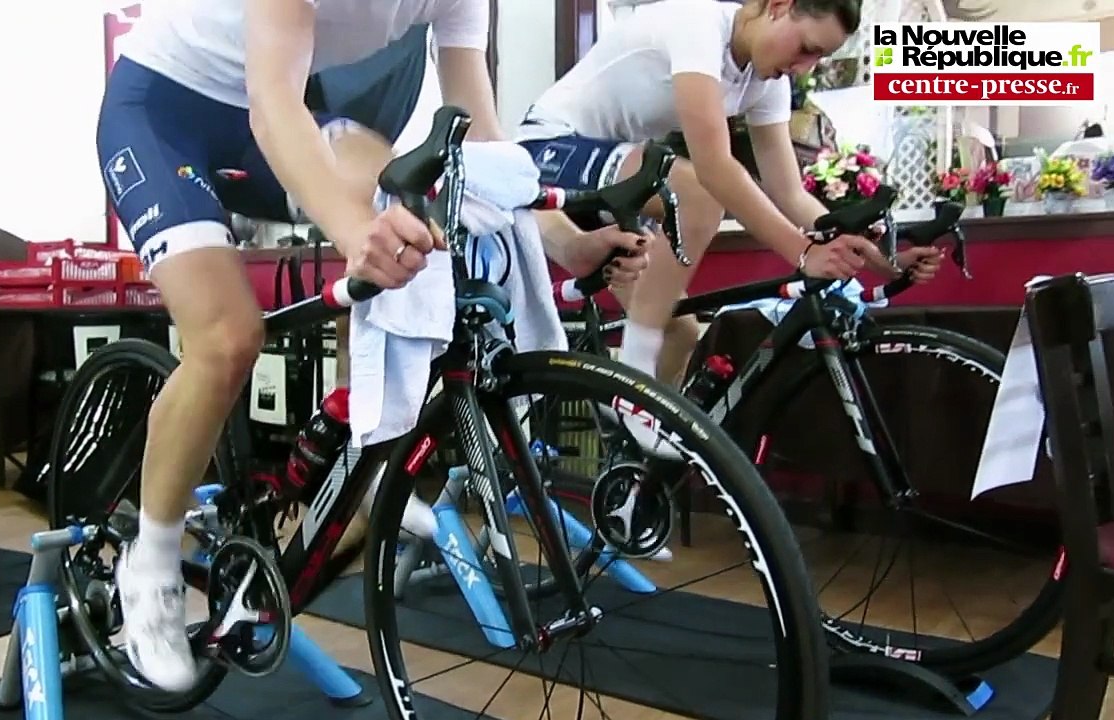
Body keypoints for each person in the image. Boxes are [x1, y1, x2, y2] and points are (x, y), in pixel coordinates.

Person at [96, 0, 650, 693]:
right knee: (229, 336)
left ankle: (358, 448)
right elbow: (274, 108)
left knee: (405, 185)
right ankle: (150, 563)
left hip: (271, 115)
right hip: (164, 114)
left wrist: (568, 240)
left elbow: (479, 147)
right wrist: (356, 231)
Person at [517, 0, 944, 417]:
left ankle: (635, 467)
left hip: (619, 181)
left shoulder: (767, 83)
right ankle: (634, 383)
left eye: (820, 58)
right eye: (807, 49)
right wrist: (803, 252)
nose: (804, 68)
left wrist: (881, 258)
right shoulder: (701, 25)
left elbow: (789, 193)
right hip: (548, 149)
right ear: (778, 6)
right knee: (699, 193)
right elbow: (715, 167)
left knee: (680, 331)